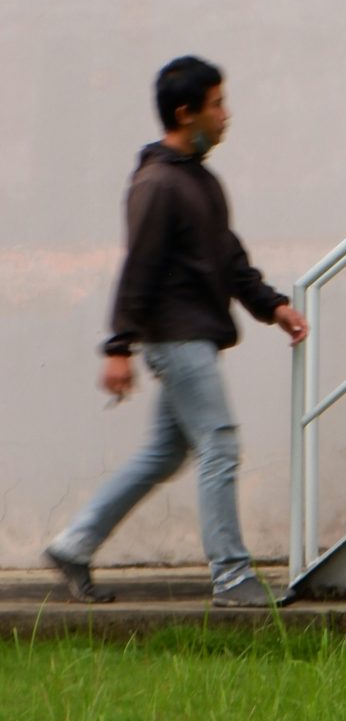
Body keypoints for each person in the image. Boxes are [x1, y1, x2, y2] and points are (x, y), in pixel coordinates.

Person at [45, 55, 308, 608]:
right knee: (219, 443)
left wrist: (273, 305)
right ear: (186, 113)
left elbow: (228, 257)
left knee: (165, 454)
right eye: (217, 104)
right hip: (175, 337)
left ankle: (74, 544)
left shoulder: (200, 182)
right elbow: (138, 265)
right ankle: (233, 577)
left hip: (194, 335)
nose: (226, 115)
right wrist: (118, 347)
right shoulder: (158, 184)